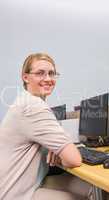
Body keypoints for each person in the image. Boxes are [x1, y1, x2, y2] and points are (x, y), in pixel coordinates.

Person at [0, 53, 93, 200]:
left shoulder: (24, 101)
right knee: (94, 193)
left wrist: (55, 148)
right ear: (25, 77)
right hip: (16, 195)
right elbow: (74, 159)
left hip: (22, 187)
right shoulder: (33, 106)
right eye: (40, 73)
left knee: (87, 186)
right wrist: (62, 152)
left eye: (52, 73)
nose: (48, 79)